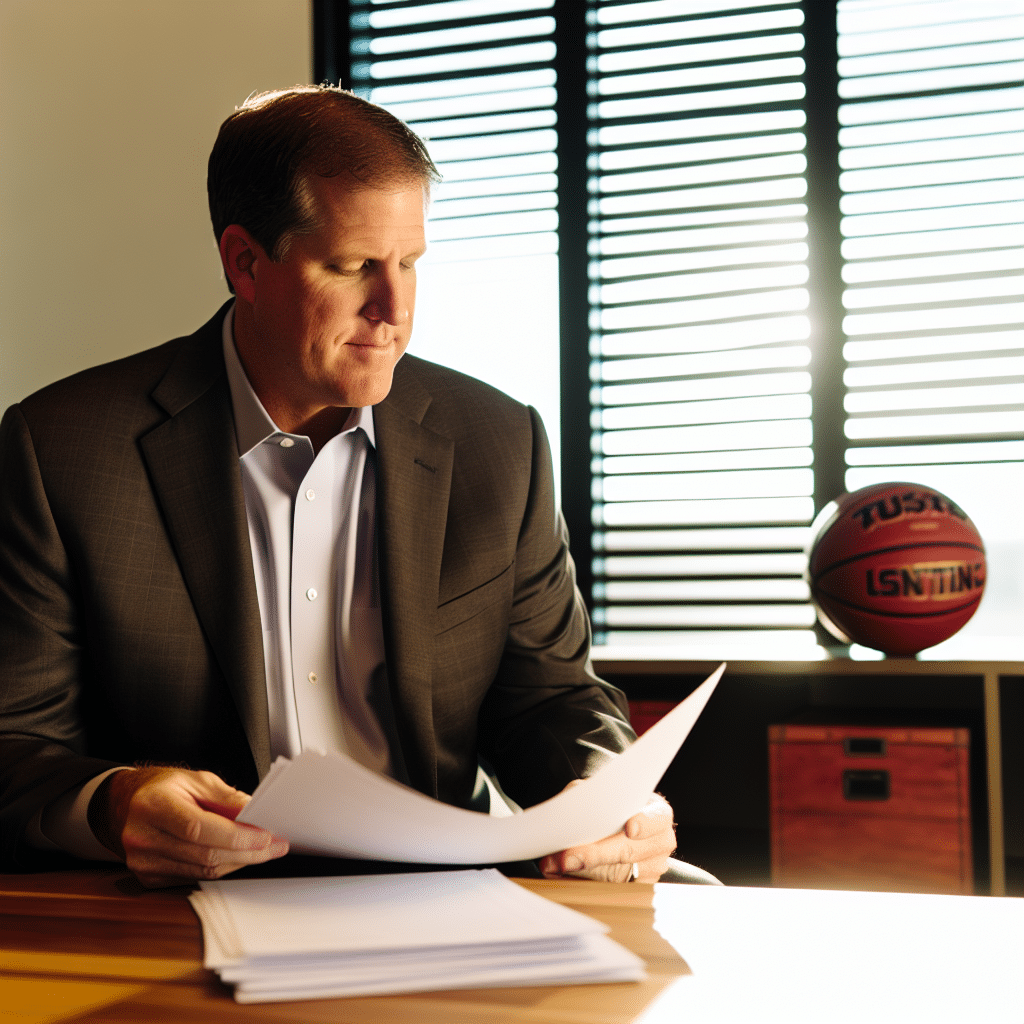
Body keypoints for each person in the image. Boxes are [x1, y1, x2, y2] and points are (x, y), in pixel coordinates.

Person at [0, 86, 693, 889]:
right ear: (245, 262)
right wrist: (115, 802)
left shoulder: (499, 442)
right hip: (192, 896)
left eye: (410, 264)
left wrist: (610, 795)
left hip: (449, 885)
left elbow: (554, 700)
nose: (393, 309)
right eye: (354, 265)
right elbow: (14, 744)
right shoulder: (63, 449)